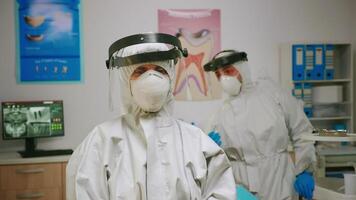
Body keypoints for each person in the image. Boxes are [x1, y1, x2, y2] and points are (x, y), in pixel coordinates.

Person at [66, 33, 236, 200]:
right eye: (140, 70)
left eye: (159, 70)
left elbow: (221, 191)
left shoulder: (196, 140)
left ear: (170, 77)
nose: (151, 78)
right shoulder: (101, 141)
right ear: (126, 81)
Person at [204, 50, 317, 200]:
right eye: (218, 75)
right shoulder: (219, 114)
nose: (223, 78)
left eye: (228, 71)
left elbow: (302, 132)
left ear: (242, 69)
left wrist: (305, 169)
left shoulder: (273, 95)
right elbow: (210, 160)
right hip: (241, 186)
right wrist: (208, 148)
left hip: (278, 179)